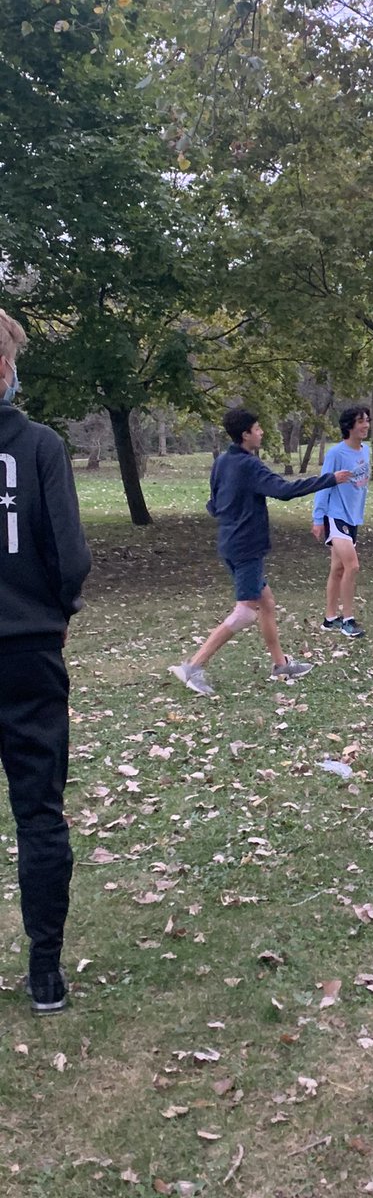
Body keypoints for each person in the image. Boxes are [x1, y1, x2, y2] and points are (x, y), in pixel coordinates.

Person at [0, 309, 92, 1014]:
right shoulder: (40, 448)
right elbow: (71, 554)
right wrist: (57, 613)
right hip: (28, 649)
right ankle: (46, 971)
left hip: (27, 643)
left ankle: (44, 968)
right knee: (39, 811)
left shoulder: (40, 444)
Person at [169, 408, 351, 696]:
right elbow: (284, 490)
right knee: (245, 613)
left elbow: (213, 503)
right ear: (245, 435)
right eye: (257, 428)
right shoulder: (248, 465)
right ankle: (194, 666)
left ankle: (280, 665)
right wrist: (330, 479)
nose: (262, 432)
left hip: (229, 542)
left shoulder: (222, 461)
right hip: (246, 547)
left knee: (266, 602)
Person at [311, 405, 371, 638]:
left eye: (367, 420)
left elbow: (360, 488)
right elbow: (323, 485)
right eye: (360, 421)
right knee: (352, 566)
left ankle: (329, 619)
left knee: (337, 569)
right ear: (349, 426)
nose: (365, 425)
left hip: (352, 517)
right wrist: (318, 519)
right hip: (335, 516)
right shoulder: (336, 454)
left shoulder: (366, 451)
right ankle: (348, 620)